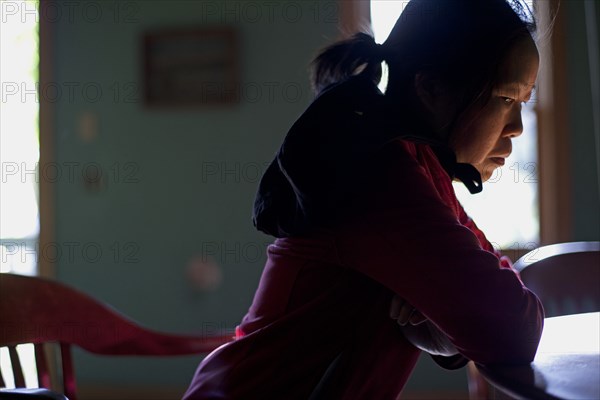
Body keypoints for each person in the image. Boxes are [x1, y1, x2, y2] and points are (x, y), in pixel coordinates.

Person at [183, 0, 545, 398]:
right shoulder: (380, 174)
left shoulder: (419, 168)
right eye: (507, 99)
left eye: (524, 103)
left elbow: (494, 302)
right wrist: (449, 318)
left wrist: (441, 323)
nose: (516, 128)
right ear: (432, 90)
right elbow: (513, 328)